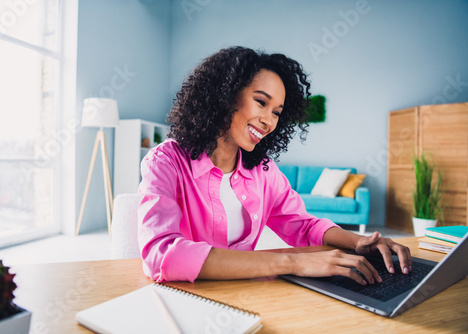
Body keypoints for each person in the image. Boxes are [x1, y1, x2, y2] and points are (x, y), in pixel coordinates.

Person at [137, 46, 412, 284]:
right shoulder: (166, 162)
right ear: (226, 95)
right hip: (187, 297)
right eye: (261, 102)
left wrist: (360, 243)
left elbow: (303, 226)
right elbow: (161, 253)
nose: (269, 121)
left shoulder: (263, 171)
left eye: (277, 113)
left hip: (249, 292)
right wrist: (291, 262)